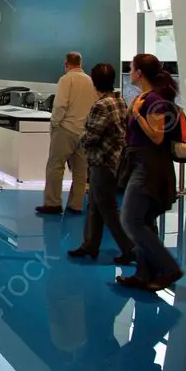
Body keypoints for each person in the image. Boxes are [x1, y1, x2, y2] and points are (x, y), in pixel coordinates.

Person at [117, 54, 182, 291]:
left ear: (139, 73)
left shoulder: (154, 101)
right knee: (143, 220)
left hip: (149, 167)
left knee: (131, 219)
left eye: (132, 68)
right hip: (140, 163)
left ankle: (169, 267)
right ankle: (144, 273)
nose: (130, 72)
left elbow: (157, 136)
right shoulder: (145, 98)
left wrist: (137, 117)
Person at [67, 63, 136, 265]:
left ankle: (131, 248)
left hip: (101, 163)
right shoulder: (120, 101)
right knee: (95, 206)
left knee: (108, 209)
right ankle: (90, 244)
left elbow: (92, 137)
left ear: (94, 81)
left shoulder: (100, 105)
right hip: (114, 161)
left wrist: (81, 137)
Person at [36, 52, 96, 215]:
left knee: (55, 166)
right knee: (80, 170)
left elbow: (60, 105)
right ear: (81, 63)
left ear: (66, 64)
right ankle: (76, 204)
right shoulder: (90, 81)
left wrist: (55, 123)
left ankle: (53, 203)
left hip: (65, 129)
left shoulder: (66, 79)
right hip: (83, 131)